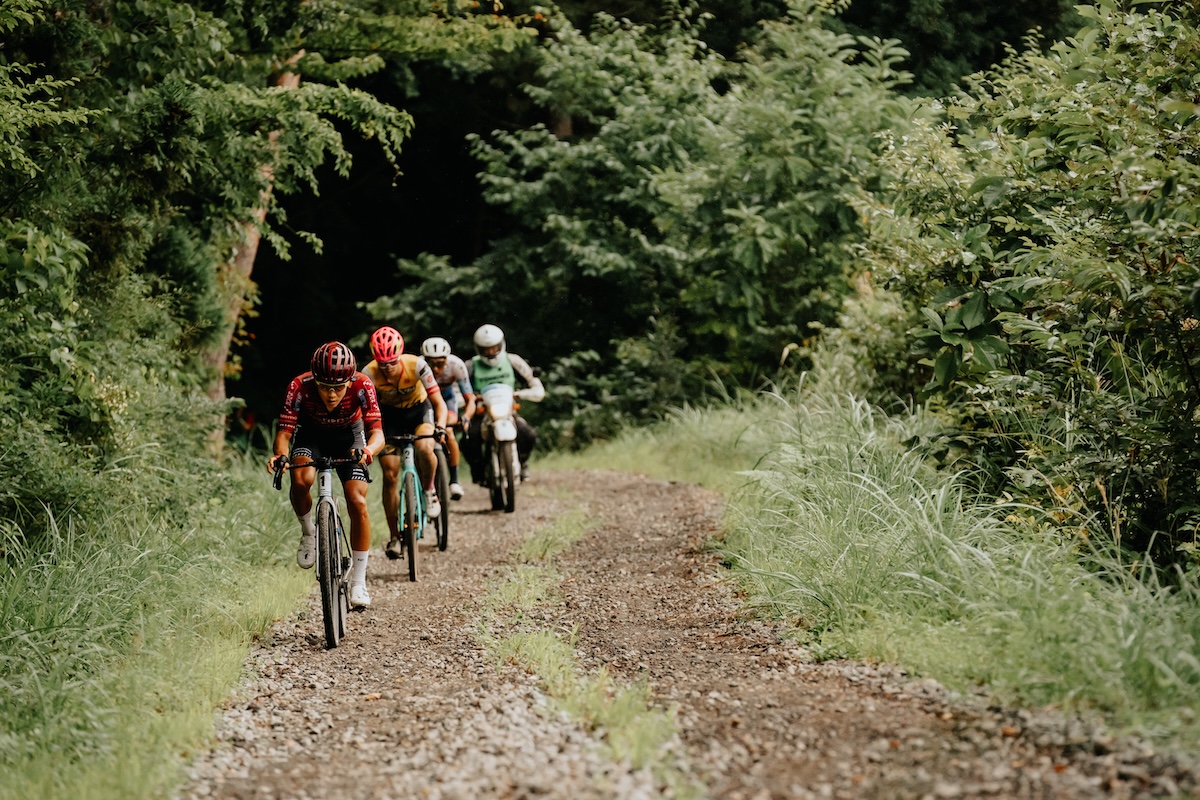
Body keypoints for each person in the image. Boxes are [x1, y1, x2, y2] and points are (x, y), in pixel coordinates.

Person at [266, 341, 385, 609]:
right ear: (315, 379)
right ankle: (309, 531)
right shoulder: (299, 386)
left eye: (338, 388)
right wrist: (281, 456)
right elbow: (284, 433)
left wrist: (368, 450)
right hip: (311, 436)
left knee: (357, 500)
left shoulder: (362, 384)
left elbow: (377, 433)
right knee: (301, 480)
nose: (331, 395)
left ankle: (359, 581)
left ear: (349, 381)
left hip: (350, 437)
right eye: (324, 387)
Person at [361, 326, 448, 560]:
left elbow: (439, 402)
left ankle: (429, 490)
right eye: (382, 364)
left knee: (425, 447)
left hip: (419, 413)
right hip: (389, 420)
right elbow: (363, 412)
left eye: (392, 362)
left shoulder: (417, 365)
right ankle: (394, 537)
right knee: (390, 474)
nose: (387, 368)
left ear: (399, 355)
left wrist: (440, 426)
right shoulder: (368, 373)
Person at [462, 323, 544, 483]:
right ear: (478, 348)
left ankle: (522, 463)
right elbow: (459, 388)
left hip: (508, 412)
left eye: (494, 348)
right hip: (482, 413)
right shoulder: (470, 366)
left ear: (501, 345)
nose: (490, 352)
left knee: (528, 434)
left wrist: (529, 391)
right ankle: (478, 471)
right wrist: (467, 398)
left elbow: (532, 380)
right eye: (486, 349)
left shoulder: (513, 361)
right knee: (469, 439)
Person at [420, 336, 476, 501]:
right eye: (432, 364)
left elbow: (470, 398)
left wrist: (466, 417)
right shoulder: (418, 366)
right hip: (425, 402)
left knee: (449, 432)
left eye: (440, 363)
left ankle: (454, 480)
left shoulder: (456, 365)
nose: (436, 369)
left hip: (447, 399)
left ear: (447, 359)